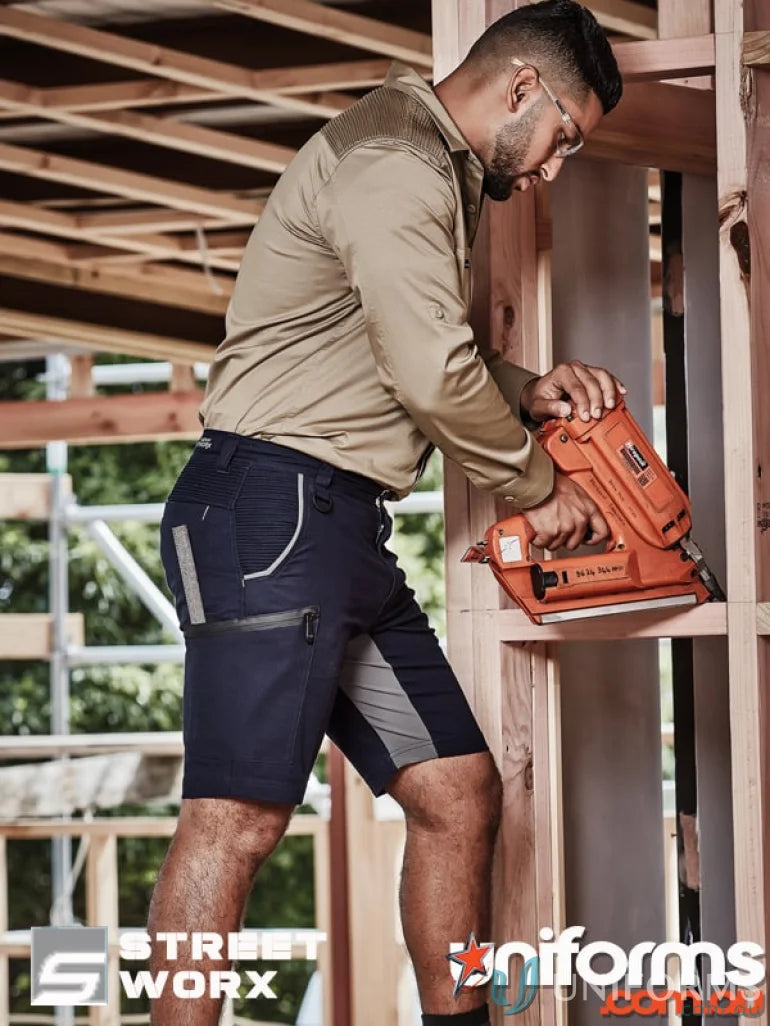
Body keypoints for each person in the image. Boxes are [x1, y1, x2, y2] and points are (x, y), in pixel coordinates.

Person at [150, 2, 624, 1024]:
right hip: (267, 508)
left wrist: (521, 385)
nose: (551, 168)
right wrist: (538, 488)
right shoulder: (394, 160)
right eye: (562, 140)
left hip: (334, 522)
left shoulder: (441, 167)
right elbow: (423, 371)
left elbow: (395, 343)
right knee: (236, 820)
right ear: (520, 88)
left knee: (456, 795)